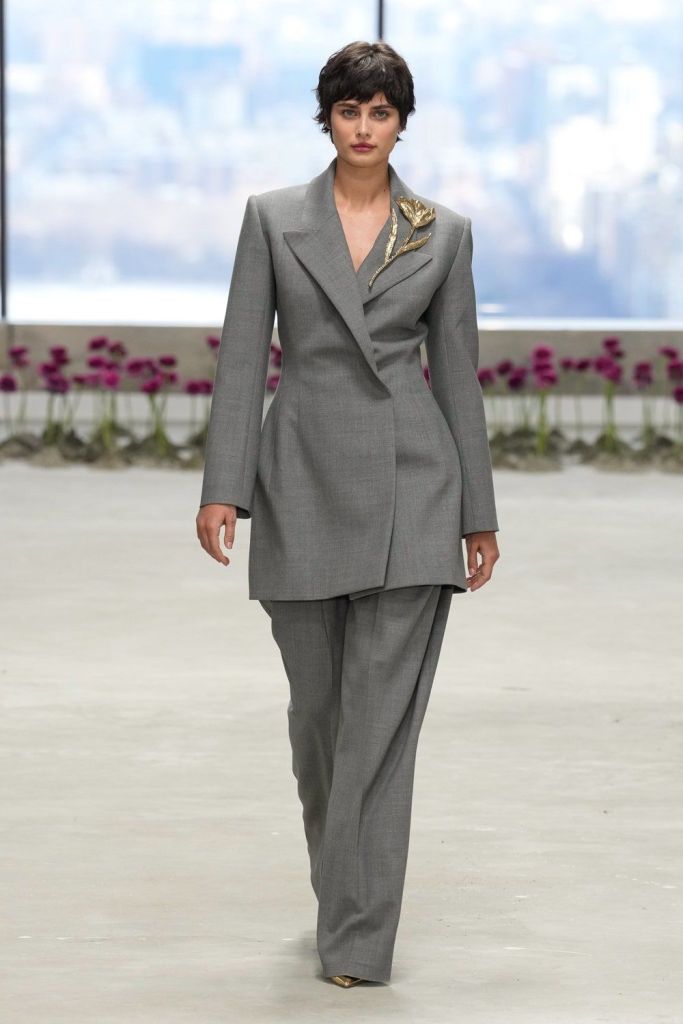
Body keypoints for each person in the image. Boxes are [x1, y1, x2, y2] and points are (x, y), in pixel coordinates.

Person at [196, 39, 500, 987]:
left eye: (380, 112)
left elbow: (457, 376)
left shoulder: (442, 233)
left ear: (402, 123)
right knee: (320, 726)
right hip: (301, 481)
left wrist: (478, 512)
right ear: (325, 119)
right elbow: (243, 355)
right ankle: (343, 887)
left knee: (378, 730)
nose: (364, 127)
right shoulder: (272, 219)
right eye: (348, 111)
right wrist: (222, 486)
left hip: (415, 486)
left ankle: (358, 937)